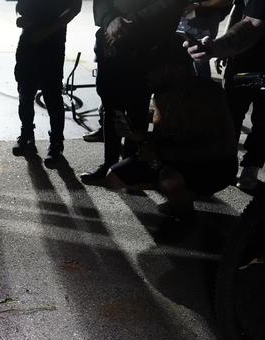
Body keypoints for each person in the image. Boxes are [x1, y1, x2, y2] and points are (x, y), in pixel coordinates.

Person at [106, 60, 238, 219]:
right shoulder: (163, 93)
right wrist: (137, 135)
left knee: (170, 179)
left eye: (153, 70)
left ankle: (186, 217)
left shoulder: (205, 95)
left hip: (215, 164)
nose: (147, 75)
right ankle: (180, 196)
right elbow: (165, 135)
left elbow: (213, 149)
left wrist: (159, 154)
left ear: (177, 69)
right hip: (173, 156)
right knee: (114, 177)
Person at [80, 0, 186, 185]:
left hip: (147, 48)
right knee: (110, 106)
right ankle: (110, 164)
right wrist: (110, 19)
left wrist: (127, 23)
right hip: (112, 45)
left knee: (137, 109)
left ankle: (131, 166)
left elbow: (170, 5)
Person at [187, 0, 265, 191]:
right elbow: (241, 11)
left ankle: (251, 165)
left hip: (257, 60)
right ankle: (226, 166)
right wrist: (226, 50)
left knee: (262, 118)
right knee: (231, 110)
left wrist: (217, 48)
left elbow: (253, 23)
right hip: (244, 59)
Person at [11, 0, 82, 168]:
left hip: (52, 43)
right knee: (25, 93)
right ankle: (26, 134)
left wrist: (48, 30)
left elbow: (75, 8)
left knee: (53, 96)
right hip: (29, 42)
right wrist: (24, 20)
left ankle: (56, 143)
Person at [177, 0, 231, 78]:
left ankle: (204, 83)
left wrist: (198, 4)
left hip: (204, 18)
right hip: (185, 17)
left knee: (200, 56)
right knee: (185, 57)